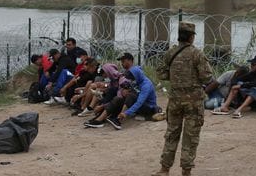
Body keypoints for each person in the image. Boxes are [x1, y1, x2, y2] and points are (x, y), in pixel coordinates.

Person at [152, 22, 213, 176]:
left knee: (172, 133)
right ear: (191, 37)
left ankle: (164, 169)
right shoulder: (197, 54)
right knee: (190, 137)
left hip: (175, 100)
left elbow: (161, 73)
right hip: (193, 101)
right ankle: (186, 171)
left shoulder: (170, 52)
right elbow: (206, 77)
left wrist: (176, 78)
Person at [84, 66, 159, 130]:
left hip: (148, 108)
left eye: (132, 78)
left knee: (131, 96)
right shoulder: (137, 81)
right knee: (118, 99)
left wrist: (126, 113)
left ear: (136, 76)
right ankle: (99, 120)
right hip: (137, 106)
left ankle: (118, 119)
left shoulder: (146, 85)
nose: (131, 80)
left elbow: (139, 102)